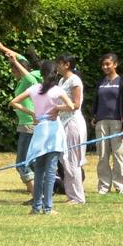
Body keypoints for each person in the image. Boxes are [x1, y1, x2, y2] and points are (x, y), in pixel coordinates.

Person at [11, 60, 75, 215]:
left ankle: (36, 206)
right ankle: (48, 207)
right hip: (53, 131)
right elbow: (72, 106)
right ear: (55, 74)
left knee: (39, 170)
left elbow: (14, 102)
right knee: (51, 171)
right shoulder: (57, 90)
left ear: (41, 74)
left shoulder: (34, 89)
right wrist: (57, 109)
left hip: (39, 131)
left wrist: (32, 113)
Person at [0, 41, 41, 196]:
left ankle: (36, 195)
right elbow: (21, 59)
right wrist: (2, 48)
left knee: (22, 163)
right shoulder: (23, 79)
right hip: (25, 124)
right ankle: (35, 194)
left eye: (13, 69)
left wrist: (14, 61)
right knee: (30, 162)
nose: (12, 71)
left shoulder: (30, 79)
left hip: (29, 125)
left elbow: (28, 74)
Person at [92, 53, 123, 193]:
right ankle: (103, 187)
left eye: (108, 64)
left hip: (117, 122)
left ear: (115, 64)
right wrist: (94, 116)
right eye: (103, 64)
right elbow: (96, 100)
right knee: (102, 155)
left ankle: (121, 186)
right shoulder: (100, 81)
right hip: (101, 122)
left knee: (118, 155)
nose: (105, 67)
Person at [57, 54, 87, 205]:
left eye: (59, 63)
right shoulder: (62, 80)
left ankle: (78, 197)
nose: (57, 66)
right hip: (63, 123)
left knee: (73, 160)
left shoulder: (75, 80)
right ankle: (71, 195)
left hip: (73, 123)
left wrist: (55, 108)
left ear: (66, 64)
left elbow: (75, 105)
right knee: (65, 160)